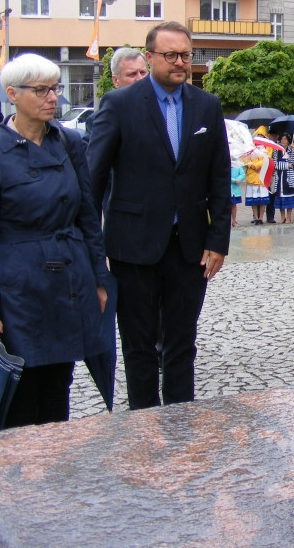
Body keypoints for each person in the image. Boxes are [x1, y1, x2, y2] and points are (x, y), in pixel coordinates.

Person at [87, 21, 231, 409]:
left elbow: (219, 178)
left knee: (182, 344)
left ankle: (181, 426)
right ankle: (145, 428)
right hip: (132, 247)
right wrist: (92, 248)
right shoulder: (119, 105)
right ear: (149, 57)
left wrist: (218, 241)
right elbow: (93, 181)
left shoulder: (206, 105)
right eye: (170, 55)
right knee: (138, 347)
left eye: (186, 55)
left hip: (190, 249)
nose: (180, 62)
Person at [0, 54, 110, 427]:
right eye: (42, 90)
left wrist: (98, 277)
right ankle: (19, 475)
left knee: (58, 383)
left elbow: (88, 216)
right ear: (12, 94)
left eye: (55, 88)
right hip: (21, 283)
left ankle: (56, 471)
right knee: (22, 385)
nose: (52, 98)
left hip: (69, 276)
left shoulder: (68, 141)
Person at [271, 133, 294, 223]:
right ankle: (282, 217)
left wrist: (293, 151)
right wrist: (287, 165)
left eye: (285, 139)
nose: (283, 141)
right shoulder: (276, 150)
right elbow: (275, 164)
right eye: (282, 139)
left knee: (289, 196)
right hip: (279, 177)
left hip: (289, 177)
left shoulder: (291, 150)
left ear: (288, 141)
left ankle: (289, 217)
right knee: (280, 196)